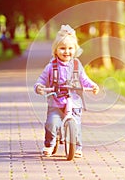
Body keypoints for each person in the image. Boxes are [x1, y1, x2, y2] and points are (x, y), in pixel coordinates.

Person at [34, 24, 99, 158]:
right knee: (51, 123)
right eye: (62, 48)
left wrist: (92, 86)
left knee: (76, 124)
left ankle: (77, 147)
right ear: (55, 50)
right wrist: (39, 86)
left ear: (75, 50)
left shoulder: (76, 65)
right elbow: (42, 79)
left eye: (70, 48)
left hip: (73, 102)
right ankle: (50, 144)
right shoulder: (51, 66)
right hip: (56, 101)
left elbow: (84, 79)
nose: (66, 52)